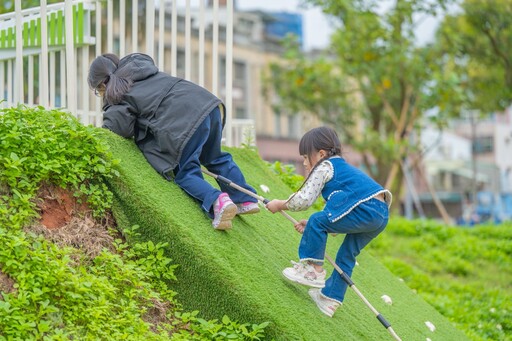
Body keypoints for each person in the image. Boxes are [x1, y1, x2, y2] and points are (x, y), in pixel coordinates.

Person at [88, 53, 259, 230]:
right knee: (215, 157)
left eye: (98, 91)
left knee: (186, 172)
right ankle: (245, 198)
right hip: (208, 104)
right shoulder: (140, 70)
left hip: (184, 120)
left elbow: (118, 129)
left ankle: (218, 200)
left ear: (102, 84)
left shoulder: (118, 93)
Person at [265, 126, 392, 317]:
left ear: (321, 154)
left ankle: (312, 271)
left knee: (318, 220)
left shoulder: (325, 166)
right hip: (380, 213)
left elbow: (303, 200)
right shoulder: (343, 169)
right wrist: (314, 225)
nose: (305, 163)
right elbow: (341, 207)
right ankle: (330, 299)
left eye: (306, 157)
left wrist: (279, 204)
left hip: (366, 208)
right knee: (347, 253)